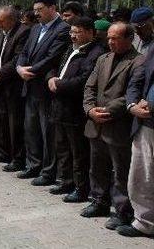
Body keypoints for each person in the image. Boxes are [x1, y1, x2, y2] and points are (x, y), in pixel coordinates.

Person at [81, 23, 139, 231]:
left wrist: (105, 111)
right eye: (109, 38)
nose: (110, 42)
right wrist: (89, 109)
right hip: (95, 122)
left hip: (117, 125)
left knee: (120, 170)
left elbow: (131, 94)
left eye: (115, 38)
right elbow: (90, 86)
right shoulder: (103, 58)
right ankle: (99, 201)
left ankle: (123, 211)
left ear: (129, 38)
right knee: (97, 166)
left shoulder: (138, 61)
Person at [46, 17, 106, 203]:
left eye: (77, 32)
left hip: (75, 109)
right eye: (71, 32)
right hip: (59, 107)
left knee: (78, 151)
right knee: (62, 147)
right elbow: (55, 67)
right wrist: (51, 78)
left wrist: (60, 84)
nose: (73, 35)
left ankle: (81, 188)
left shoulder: (95, 53)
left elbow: (84, 80)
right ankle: (66, 181)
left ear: (90, 32)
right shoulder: (71, 49)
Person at [16, 0, 71, 185]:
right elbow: (24, 52)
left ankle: (48, 172)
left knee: (47, 131)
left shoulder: (63, 29)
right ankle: (33, 165)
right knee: (31, 129)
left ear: (52, 8)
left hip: (45, 88)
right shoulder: (35, 29)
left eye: (40, 10)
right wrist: (19, 68)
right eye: (35, 10)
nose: (36, 14)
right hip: (29, 86)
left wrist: (29, 71)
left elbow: (52, 57)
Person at [0, 6, 30, 167]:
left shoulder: (23, 32)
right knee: (0, 120)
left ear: (12, 20)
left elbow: (17, 59)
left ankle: (17, 158)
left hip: (13, 85)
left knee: (14, 124)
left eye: (2, 21)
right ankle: (2, 152)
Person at [123, 40, 154, 238]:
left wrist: (151, 104)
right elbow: (139, 78)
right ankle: (145, 222)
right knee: (141, 175)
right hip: (146, 123)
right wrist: (132, 104)